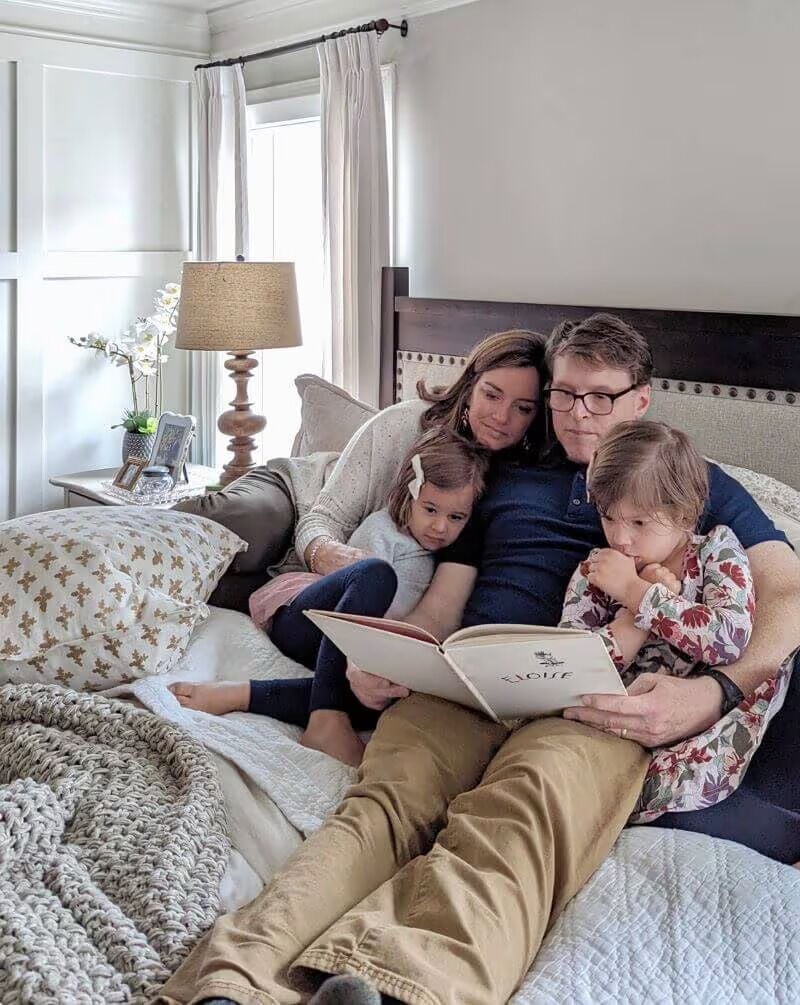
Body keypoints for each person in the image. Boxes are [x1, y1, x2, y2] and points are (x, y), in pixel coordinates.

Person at [155, 314, 800, 1005]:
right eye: (563, 393)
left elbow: (786, 592)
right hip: (468, 679)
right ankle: (230, 985)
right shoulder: (506, 472)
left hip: (591, 702)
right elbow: (443, 597)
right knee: (379, 808)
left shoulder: (687, 478)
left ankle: (401, 988)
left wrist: (717, 693)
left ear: (641, 399)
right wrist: (396, 652)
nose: (578, 414)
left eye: (601, 396)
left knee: (516, 817)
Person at [169, 429, 490, 766]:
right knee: (376, 573)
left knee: (386, 698)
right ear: (408, 497)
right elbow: (359, 592)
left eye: (456, 517)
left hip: (340, 653)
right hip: (308, 617)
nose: (440, 527)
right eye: (430, 510)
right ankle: (326, 715)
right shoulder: (384, 530)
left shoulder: (446, 559)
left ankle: (240, 694)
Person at [561, 419, 755, 677]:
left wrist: (637, 593)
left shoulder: (716, 552)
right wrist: (633, 618)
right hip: (606, 708)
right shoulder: (597, 570)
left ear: (684, 515)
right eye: (607, 517)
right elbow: (567, 667)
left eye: (639, 522)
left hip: (702, 712)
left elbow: (729, 641)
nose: (619, 538)